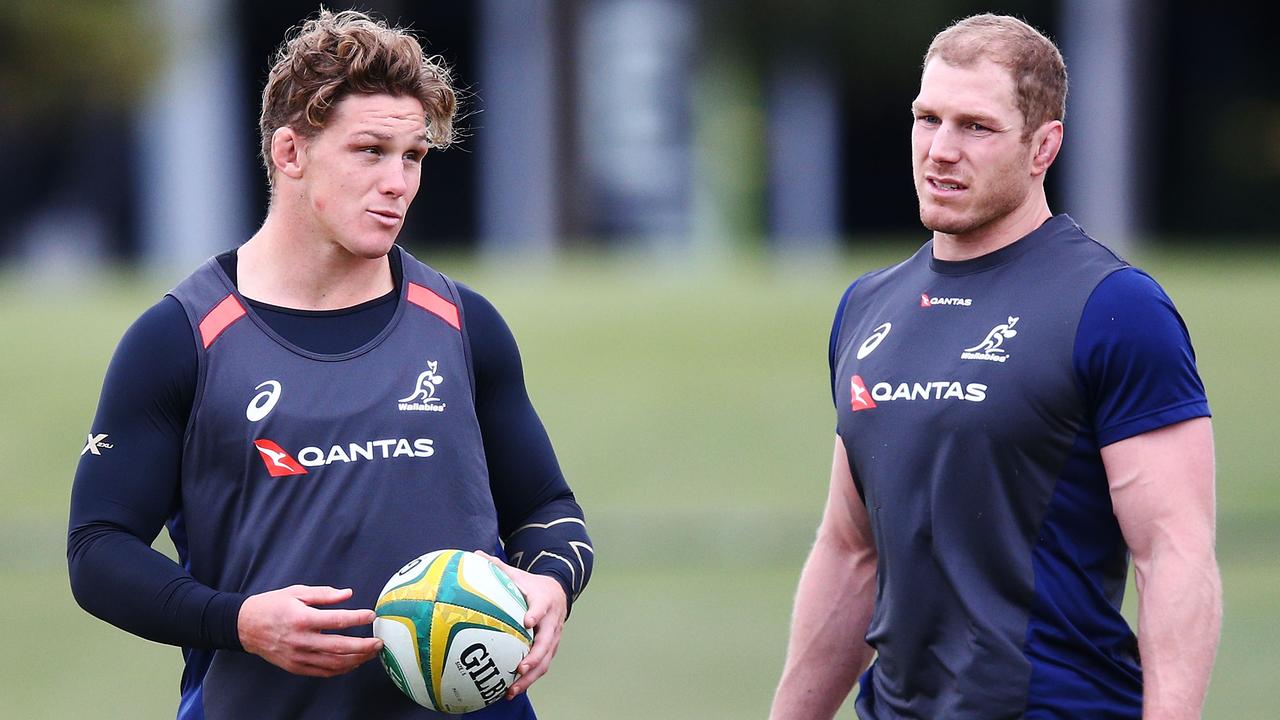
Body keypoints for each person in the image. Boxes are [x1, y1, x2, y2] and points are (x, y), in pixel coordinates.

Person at [67, 10, 592, 719]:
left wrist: (552, 583)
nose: (398, 182)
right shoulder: (181, 338)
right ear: (290, 152)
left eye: (412, 156)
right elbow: (98, 551)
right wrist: (239, 621)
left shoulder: (466, 326)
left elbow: (548, 511)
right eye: (370, 151)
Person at [770, 14, 1219, 720]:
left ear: (1044, 145)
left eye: (976, 127)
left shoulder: (1114, 308)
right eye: (928, 119)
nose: (941, 150)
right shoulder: (867, 306)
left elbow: (1174, 555)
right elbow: (850, 551)